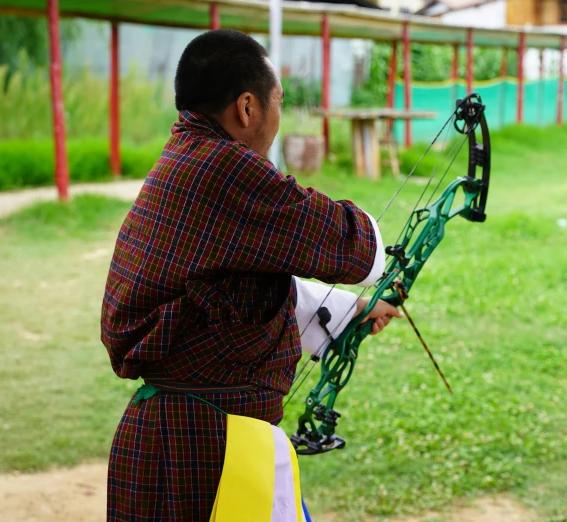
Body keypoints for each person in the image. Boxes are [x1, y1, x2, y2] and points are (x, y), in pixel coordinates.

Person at [100, 29, 401, 521]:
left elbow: (236, 289)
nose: (278, 115)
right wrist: (370, 260)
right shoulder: (224, 168)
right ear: (247, 108)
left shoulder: (187, 156)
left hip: (182, 436)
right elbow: (360, 251)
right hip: (204, 448)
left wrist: (354, 308)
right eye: (277, 100)